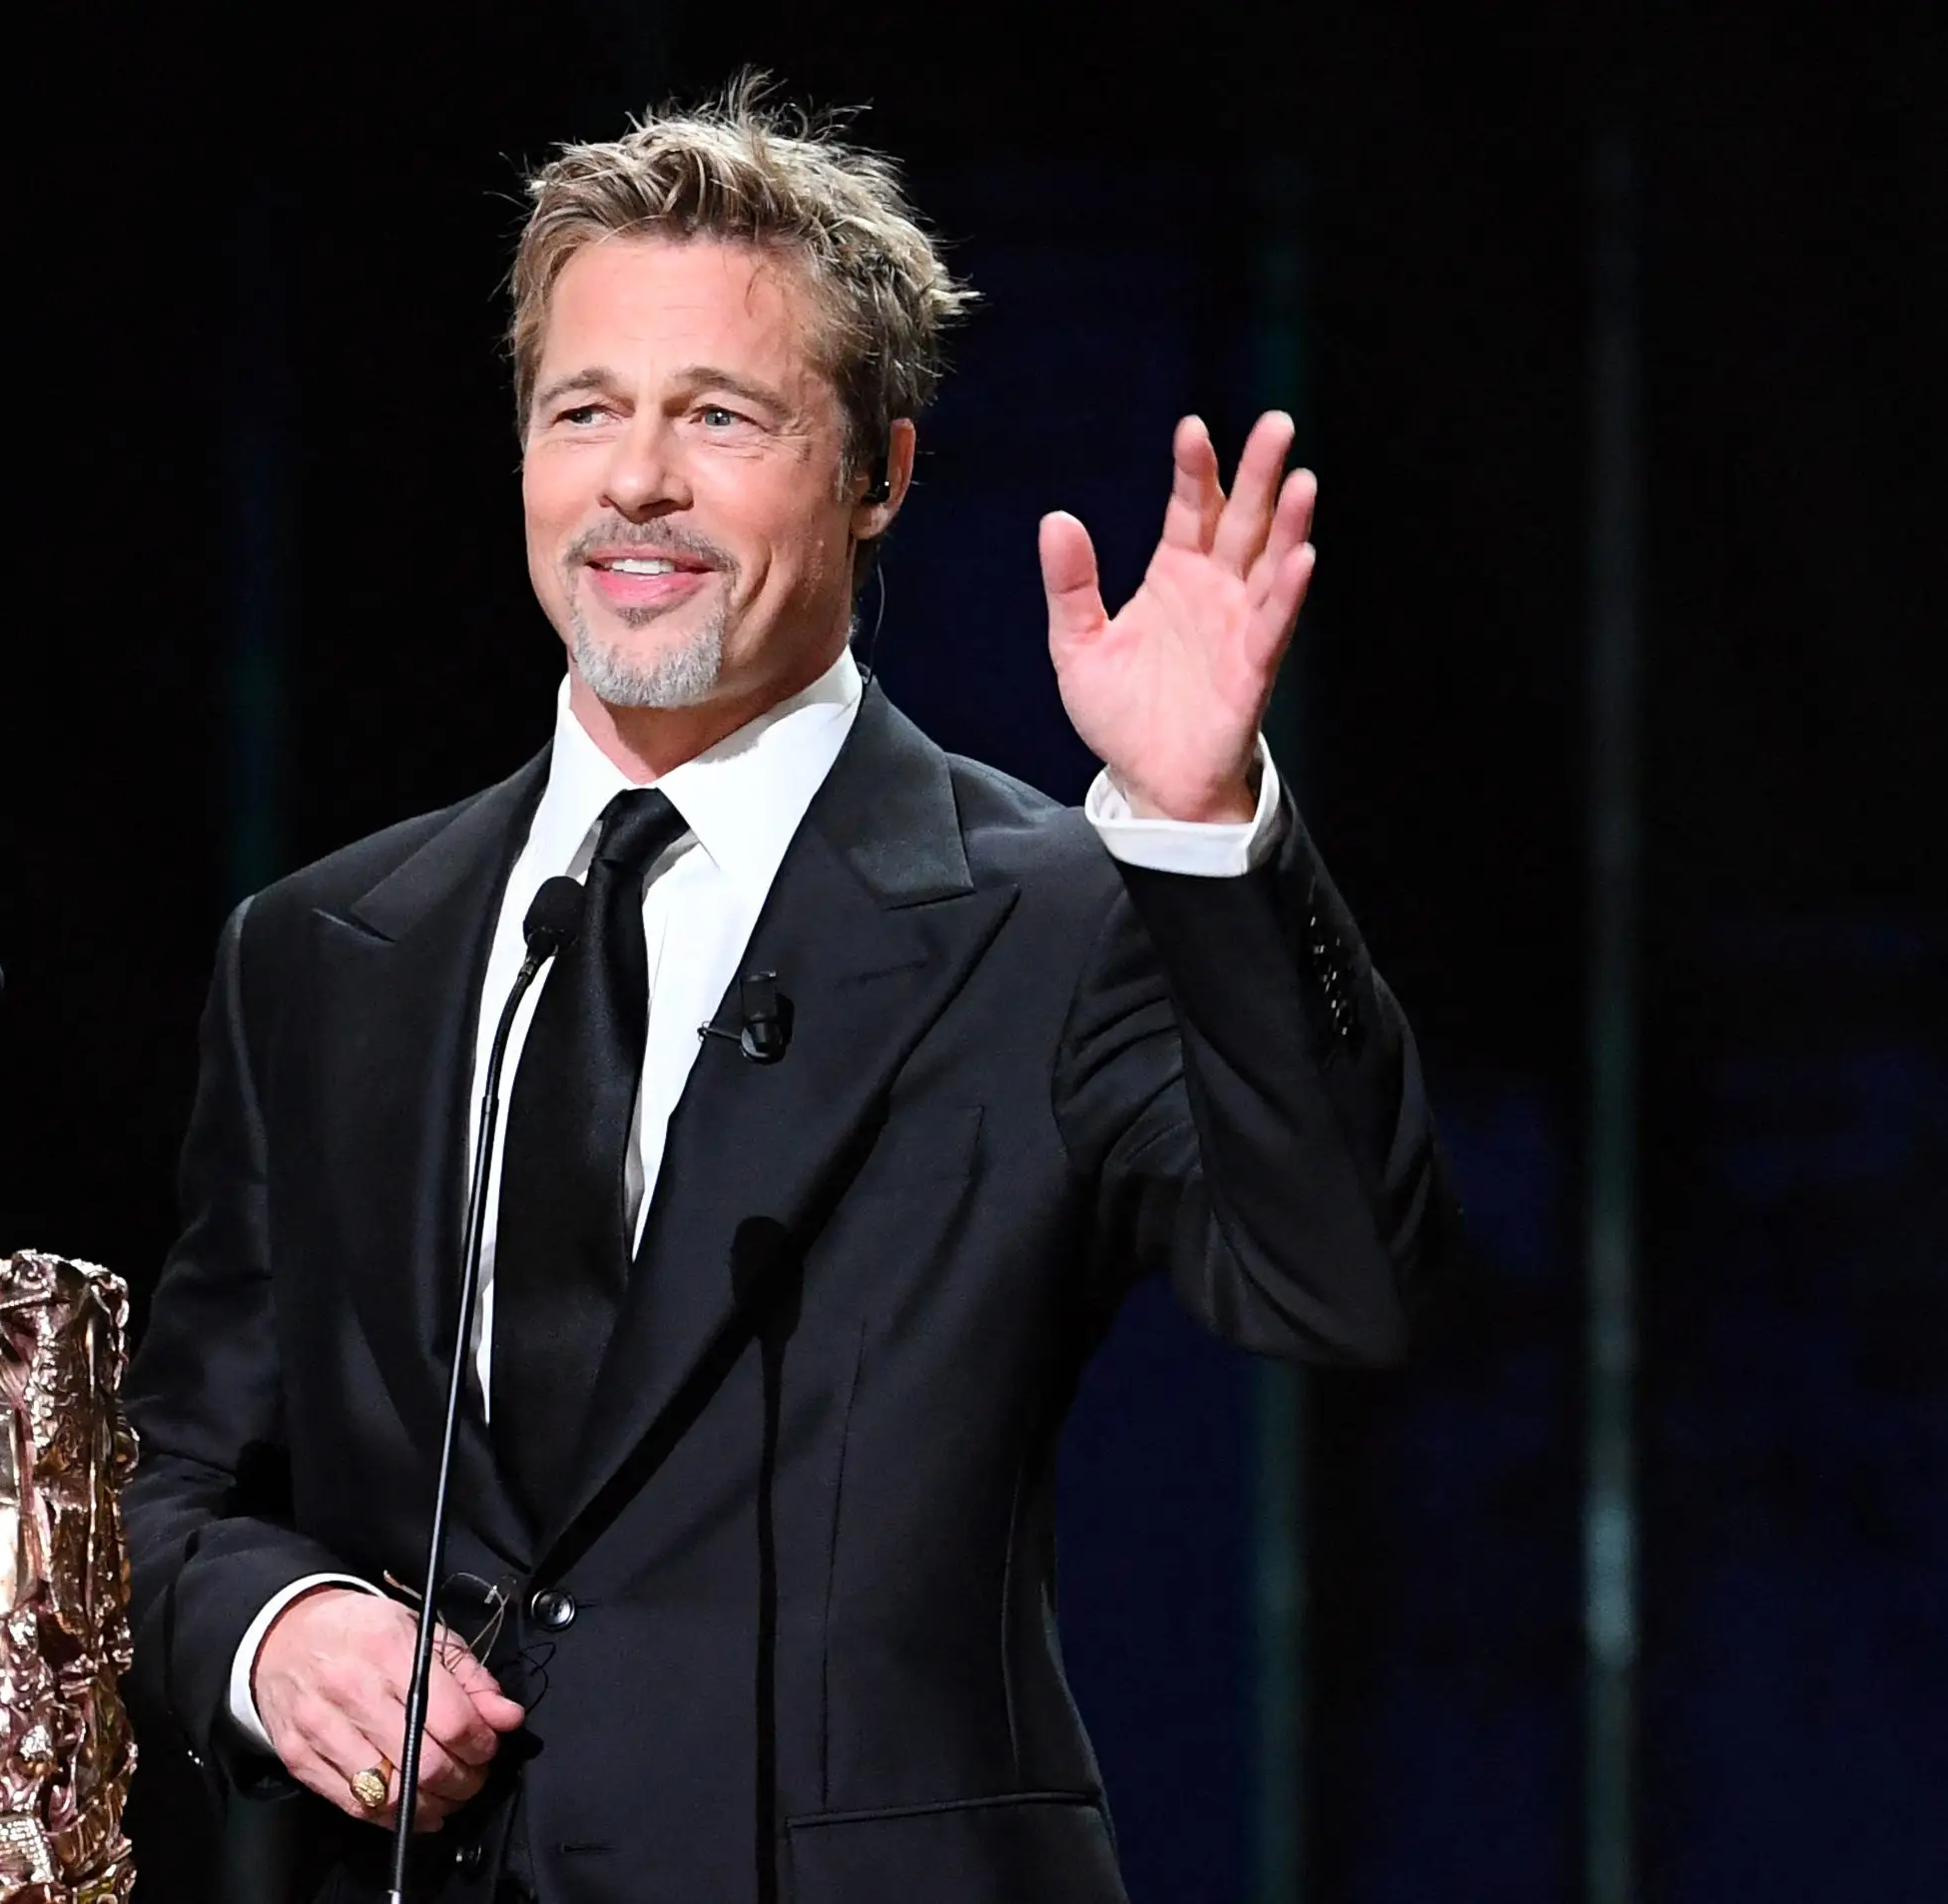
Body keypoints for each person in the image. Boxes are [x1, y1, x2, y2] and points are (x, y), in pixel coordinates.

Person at [123, 78, 1458, 1904]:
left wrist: (1205, 827)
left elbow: (1348, 1280)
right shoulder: (326, 950)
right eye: (583, 410)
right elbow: (173, 1481)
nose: (638, 480)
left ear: (881, 473)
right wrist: (271, 1634)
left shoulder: (1053, 916)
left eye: (720, 416)